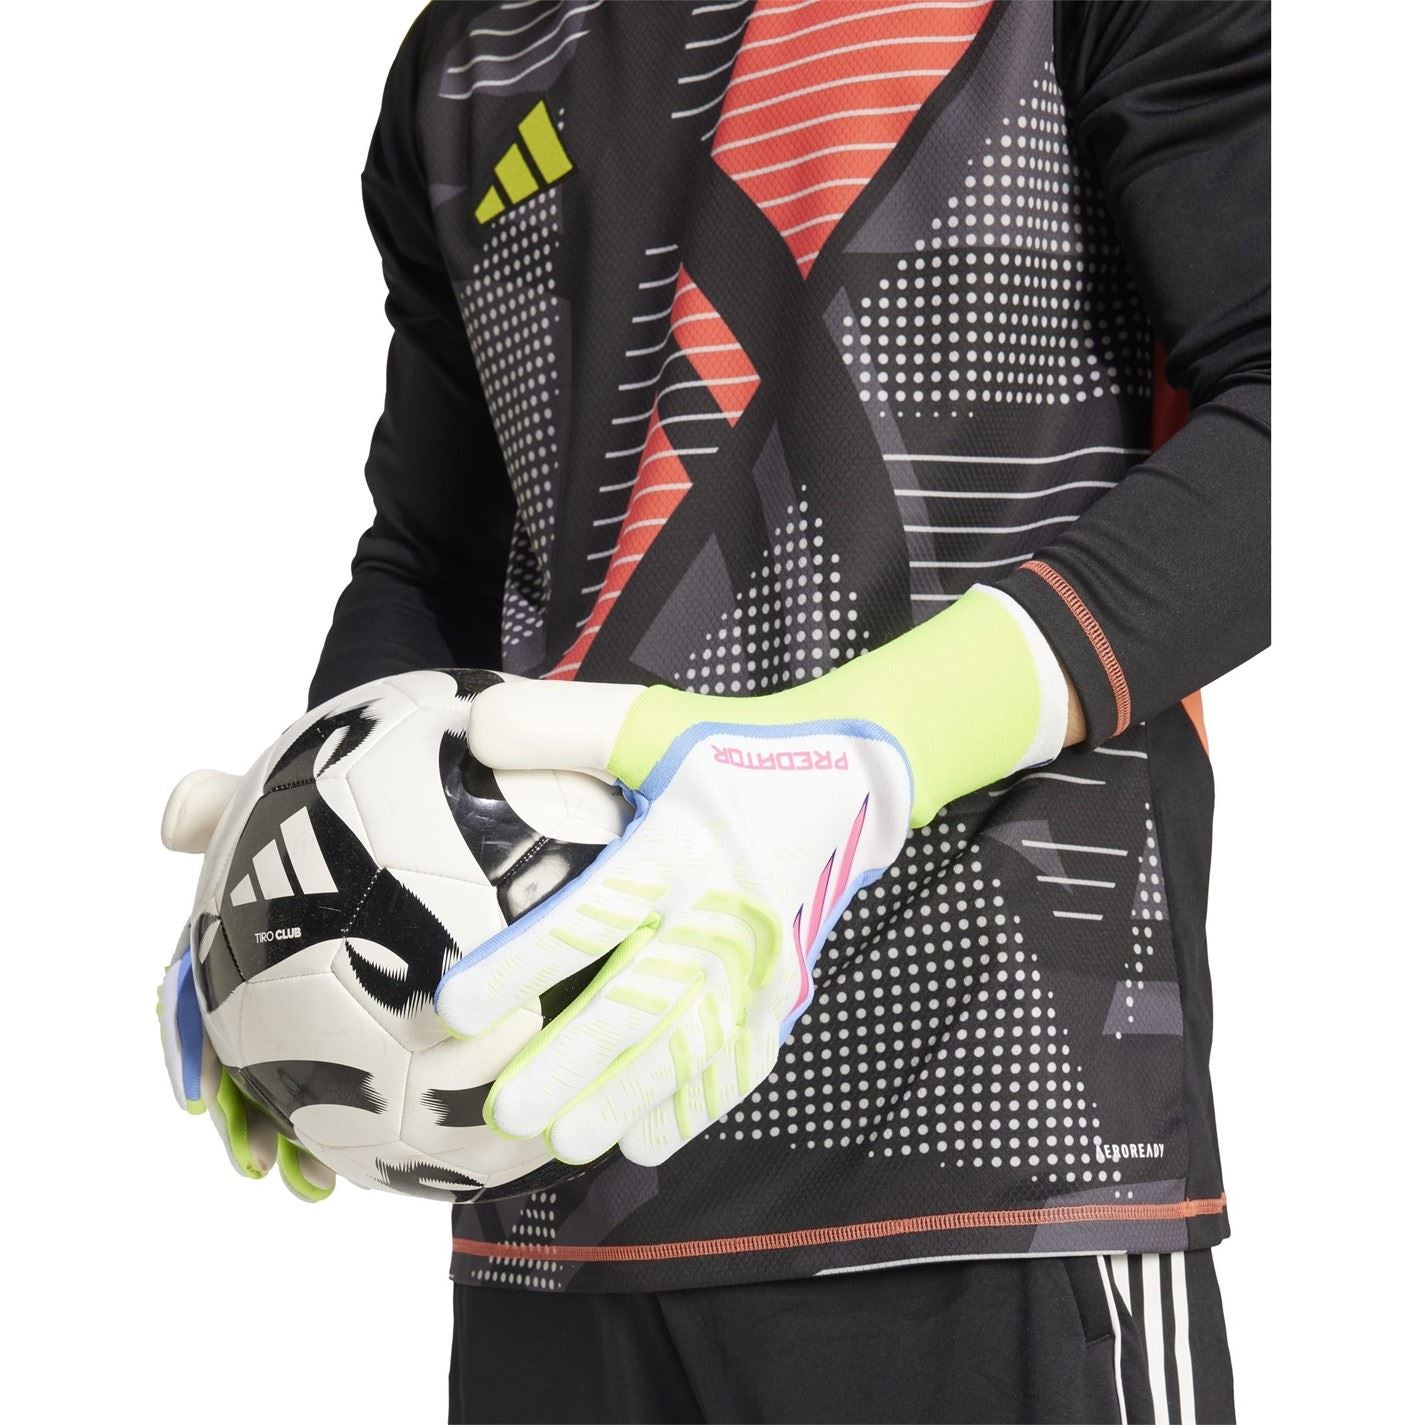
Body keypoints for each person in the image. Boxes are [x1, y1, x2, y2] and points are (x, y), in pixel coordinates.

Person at [174, 3, 1269, 1421]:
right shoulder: (467, 54)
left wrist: (869, 755)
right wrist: (310, 850)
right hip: (551, 1146)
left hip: (989, 1153)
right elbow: (436, 552)